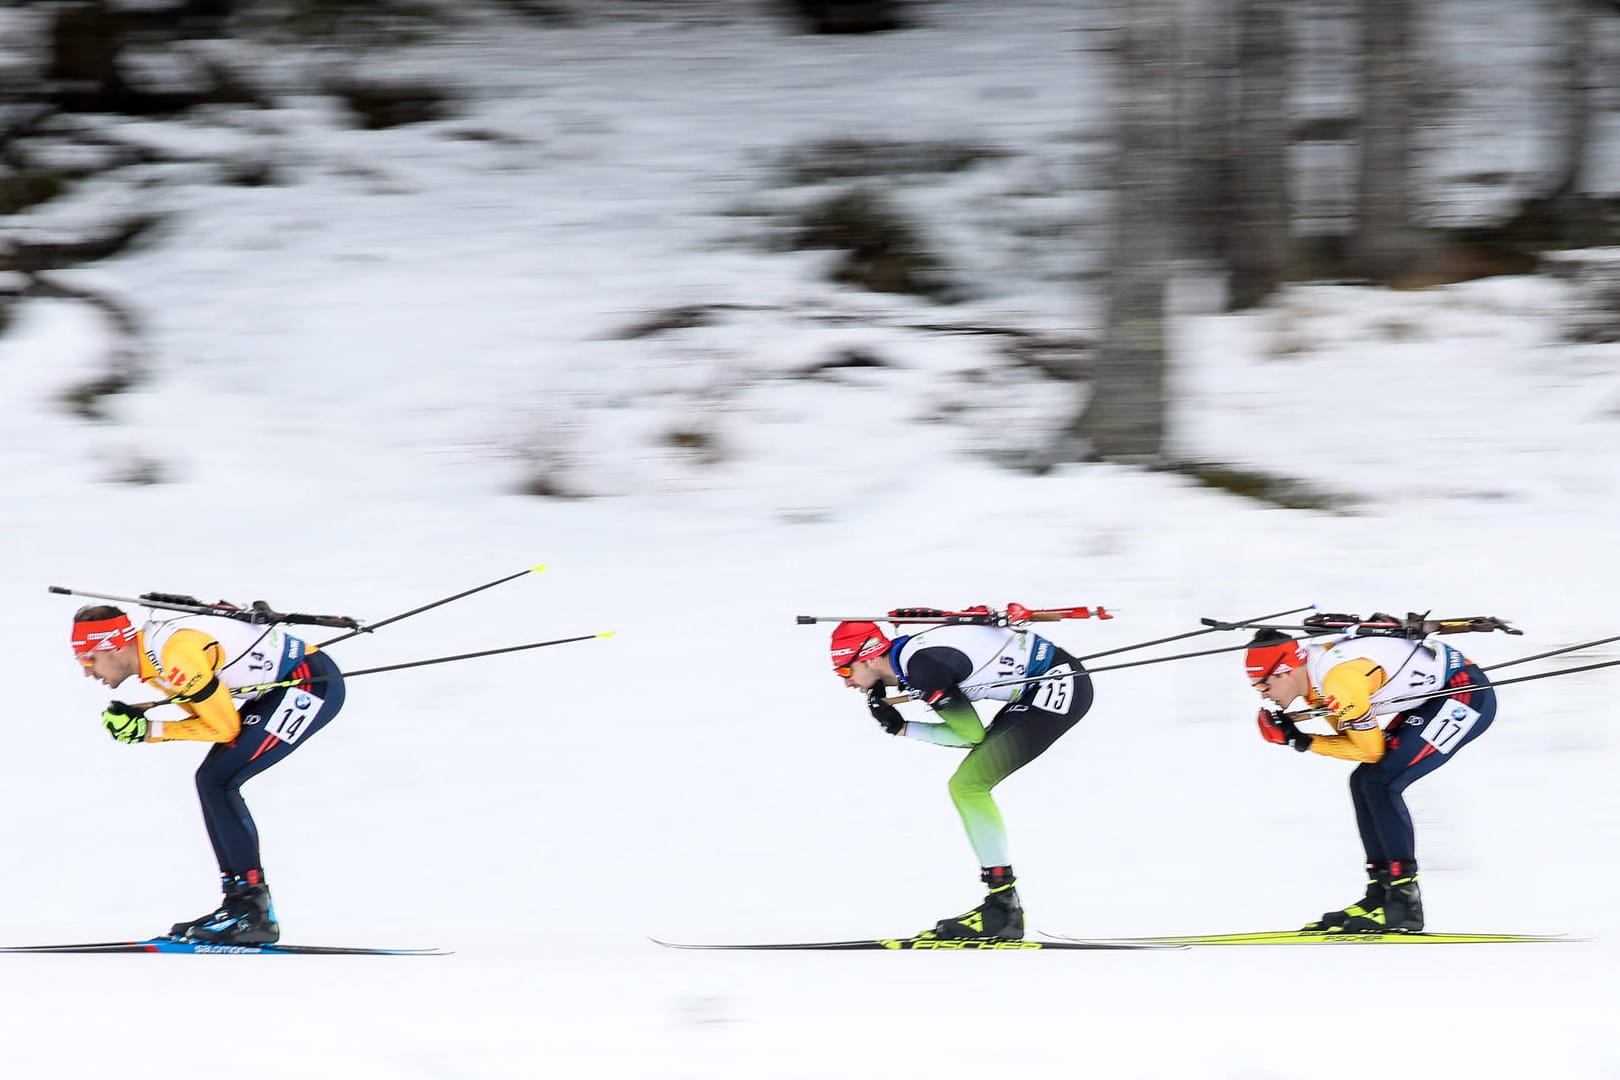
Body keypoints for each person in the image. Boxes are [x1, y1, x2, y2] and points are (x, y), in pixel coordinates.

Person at [72, 603, 345, 944]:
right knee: (213, 781)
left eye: (87, 659)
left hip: (309, 685)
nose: (86, 672)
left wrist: (150, 730)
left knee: (217, 780)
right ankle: (237, 905)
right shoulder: (153, 658)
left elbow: (224, 727)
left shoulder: (173, 657)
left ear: (112, 646)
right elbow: (203, 706)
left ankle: (253, 911)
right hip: (281, 684)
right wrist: (147, 717)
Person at [831, 618, 1094, 940]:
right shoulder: (910, 659)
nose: (845, 683)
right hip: (1044, 681)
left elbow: (968, 736)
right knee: (966, 785)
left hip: (1055, 691)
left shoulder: (921, 669)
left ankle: (1003, 910)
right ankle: (1002, 906)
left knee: (968, 786)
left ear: (871, 657)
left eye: (846, 670)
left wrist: (903, 728)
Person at [1245, 625, 1497, 933]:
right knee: (1364, 782)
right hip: (1434, 694)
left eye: (1262, 686)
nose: (1263, 695)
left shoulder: (1338, 683)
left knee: (1381, 782)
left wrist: (1302, 741)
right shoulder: (1314, 681)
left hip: (1464, 694)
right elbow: (1356, 741)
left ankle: (1404, 902)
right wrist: (1300, 738)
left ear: (1284, 672)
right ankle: (1381, 896)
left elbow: (1369, 750)